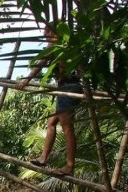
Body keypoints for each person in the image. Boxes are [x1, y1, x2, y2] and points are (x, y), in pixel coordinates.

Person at [17, 25, 82, 176]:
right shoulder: (67, 45)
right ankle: (43, 158)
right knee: (51, 123)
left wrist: (26, 80)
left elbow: (40, 64)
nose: (44, 33)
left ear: (56, 31)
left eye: (48, 30)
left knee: (67, 128)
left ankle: (70, 166)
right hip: (68, 87)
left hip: (68, 88)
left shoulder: (56, 45)